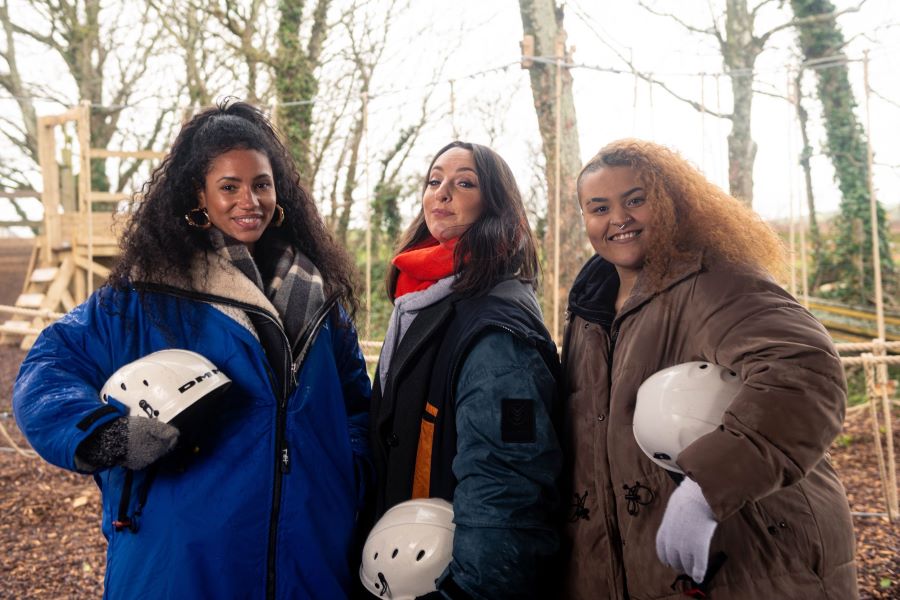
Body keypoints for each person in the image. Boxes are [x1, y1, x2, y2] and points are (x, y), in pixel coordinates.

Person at [13, 100, 372, 599]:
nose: (249, 200)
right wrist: (107, 438)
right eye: (229, 186)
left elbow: (357, 405)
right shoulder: (145, 294)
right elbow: (46, 369)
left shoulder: (319, 300)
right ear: (198, 196)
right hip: (181, 560)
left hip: (311, 555)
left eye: (261, 184)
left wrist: (344, 471)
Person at [560, 138, 858, 599]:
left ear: (669, 201)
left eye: (635, 200)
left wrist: (706, 488)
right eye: (598, 207)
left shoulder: (715, 281)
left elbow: (803, 374)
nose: (618, 218)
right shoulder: (588, 313)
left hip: (756, 556)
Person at [369, 141, 562, 600]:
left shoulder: (496, 328)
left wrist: (468, 592)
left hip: (451, 577)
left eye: (464, 183)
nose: (442, 193)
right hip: (406, 557)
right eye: (434, 181)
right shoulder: (420, 300)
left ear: (494, 203)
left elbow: (505, 483)